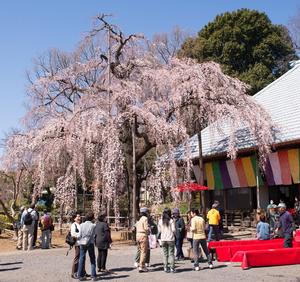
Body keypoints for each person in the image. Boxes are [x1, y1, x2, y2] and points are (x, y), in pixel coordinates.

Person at [77, 212, 97, 281]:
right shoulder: (93, 225)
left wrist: (80, 240)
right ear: (92, 218)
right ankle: (93, 276)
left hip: (82, 243)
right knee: (92, 259)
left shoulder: (81, 225)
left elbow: (79, 235)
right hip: (90, 243)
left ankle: (80, 275)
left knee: (81, 258)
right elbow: (94, 235)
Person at [158, 208, 176, 273]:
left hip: (163, 239)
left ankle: (165, 267)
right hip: (170, 239)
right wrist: (175, 234)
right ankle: (172, 268)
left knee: (165, 254)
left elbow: (159, 231)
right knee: (171, 254)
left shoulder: (160, 221)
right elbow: (173, 230)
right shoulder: (171, 220)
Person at [135, 207, 150, 272]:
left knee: (140, 250)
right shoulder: (145, 218)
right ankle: (142, 266)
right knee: (144, 251)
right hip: (143, 235)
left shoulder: (138, 218)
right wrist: (149, 230)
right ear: (146, 212)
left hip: (137, 235)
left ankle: (139, 263)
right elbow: (146, 228)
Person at [70, 213, 82, 279]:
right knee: (77, 258)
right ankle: (73, 272)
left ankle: (82, 272)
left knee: (82, 258)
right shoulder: (74, 225)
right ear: (74, 218)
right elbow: (73, 234)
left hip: (82, 243)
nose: (79, 217)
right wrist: (80, 235)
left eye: (79, 216)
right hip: (77, 243)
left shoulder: (80, 224)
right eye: (77, 216)